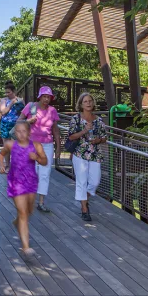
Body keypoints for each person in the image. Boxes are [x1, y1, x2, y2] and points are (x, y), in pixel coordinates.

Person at [0, 120, 48, 258]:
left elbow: (45, 161)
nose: (20, 134)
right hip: (16, 181)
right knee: (23, 213)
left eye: (23, 131)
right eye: (18, 131)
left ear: (29, 132)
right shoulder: (10, 144)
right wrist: (1, 165)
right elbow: (1, 154)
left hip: (31, 181)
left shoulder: (36, 145)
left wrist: (37, 158)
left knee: (28, 210)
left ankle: (17, 221)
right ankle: (26, 247)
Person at [20, 85, 61, 213]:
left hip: (47, 145)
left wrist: (58, 147)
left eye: (48, 97)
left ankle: (41, 202)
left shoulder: (52, 111)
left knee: (45, 173)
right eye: (44, 96)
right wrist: (28, 121)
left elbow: (55, 130)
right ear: (39, 97)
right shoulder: (30, 107)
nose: (46, 99)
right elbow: (18, 122)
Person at [67, 92, 107, 222]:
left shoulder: (98, 120)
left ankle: (84, 199)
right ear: (81, 104)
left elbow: (104, 137)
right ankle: (84, 209)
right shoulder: (76, 119)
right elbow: (71, 136)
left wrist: (98, 140)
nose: (88, 103)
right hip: (80, 153)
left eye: (90, 101)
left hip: (95, 153)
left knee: (95, 181)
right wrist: (84, 131)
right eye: (85, 101)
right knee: (82, 182)